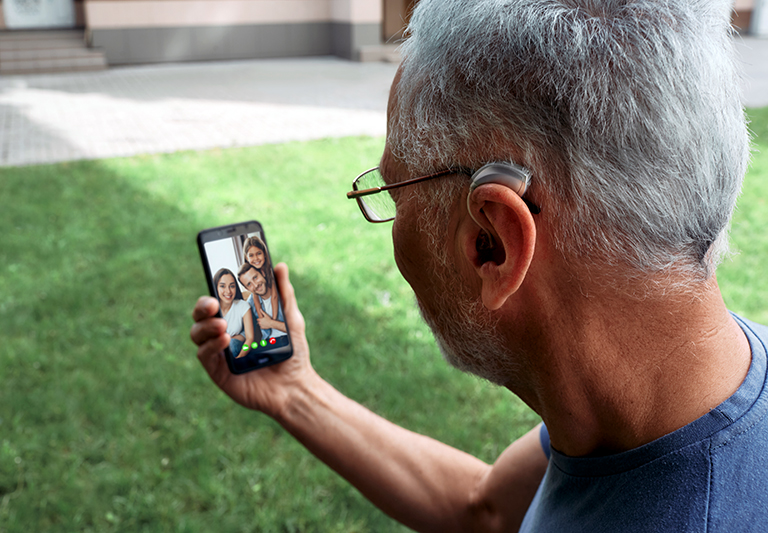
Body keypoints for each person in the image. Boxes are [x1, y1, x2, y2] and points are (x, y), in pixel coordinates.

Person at [191, 1, 768, 531]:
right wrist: (296, 392)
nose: (391, 220)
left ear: (491, 243)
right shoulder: (662, 394)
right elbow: (487, 509)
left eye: (395, 195)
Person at [237, 263, 287, 344]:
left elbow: (295, 327)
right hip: (268, 343)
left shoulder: (282, 290)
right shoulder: (250, 303)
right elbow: (244, 329)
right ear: (246, 288)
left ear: (262, 273)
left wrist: (271, 323)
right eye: (249, 284)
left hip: (289, 339)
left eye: (255, 277)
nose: (256, 285)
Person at [212, 268, 256, 359]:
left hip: (236, 350)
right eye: (222, 286)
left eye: (232, 286)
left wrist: (240, 357)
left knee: (232, 344)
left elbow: (250, 338)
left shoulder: (243, 306)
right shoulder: (212, 309)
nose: (228, 291)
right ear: (215, 287)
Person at [242, 235, 279, 334]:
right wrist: (262, 320)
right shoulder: (251, 272)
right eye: (251, 255)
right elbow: (255, 298)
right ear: (246, 257)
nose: (256, 258)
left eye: (259, 253)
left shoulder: (270, 271)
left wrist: (272, 321)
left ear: (265, 254)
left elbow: (274, 297)